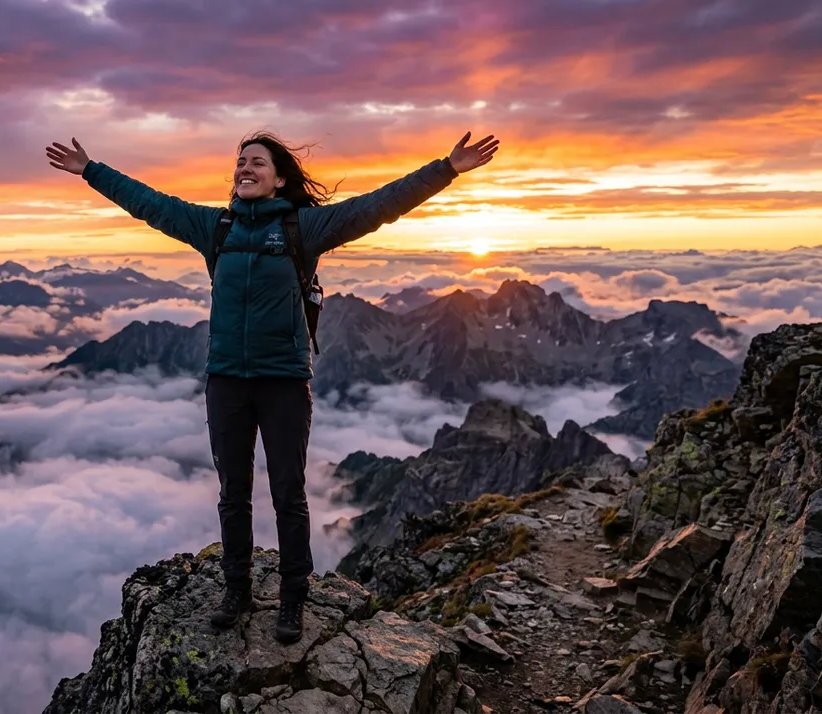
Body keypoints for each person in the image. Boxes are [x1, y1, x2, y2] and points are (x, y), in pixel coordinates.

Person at [45, 130, 499, 643]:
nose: (245, 168)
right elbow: (150, 203)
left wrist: (447, 168)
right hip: (226, 383)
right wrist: (91, 170)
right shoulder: (214, 226)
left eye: (256, 162)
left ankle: (292, 599)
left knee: (288, 493)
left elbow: (379, 205)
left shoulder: (303, 225)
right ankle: (236, 589)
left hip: (283, 381)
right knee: (232, 493)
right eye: (240, 162)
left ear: (279, 177)